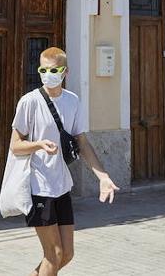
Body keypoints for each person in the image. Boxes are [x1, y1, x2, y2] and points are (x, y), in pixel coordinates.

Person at [10, 47, 119, 276]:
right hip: (38, 186)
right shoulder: (29, 102)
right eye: (42, 69)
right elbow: (15, 145)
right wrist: (38, 145)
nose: (47, 74)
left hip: (61, 186)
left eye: (53, 69)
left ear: (65, 72)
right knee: (54, 254)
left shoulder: (73, 101)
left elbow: (82, 143)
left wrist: (103, 177)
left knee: (67, 253)